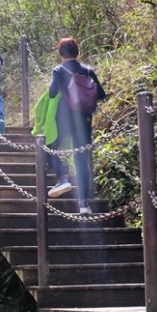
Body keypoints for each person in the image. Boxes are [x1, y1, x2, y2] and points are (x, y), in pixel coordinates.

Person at [41, 37, 105, 214]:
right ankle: (83, 204)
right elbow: (101, 94)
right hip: (84, 118)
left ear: (61, 54)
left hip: (64, 117)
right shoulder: (88, 71)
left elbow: (52, 92)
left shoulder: (59, 70)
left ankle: (63, 177)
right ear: (78, 53)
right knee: (81, 160)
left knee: (48, 148)